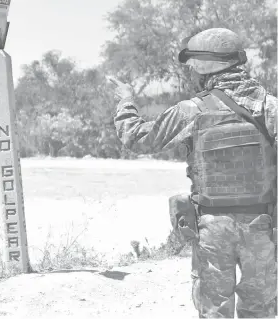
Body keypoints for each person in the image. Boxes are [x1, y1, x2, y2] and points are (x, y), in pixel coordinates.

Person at [110, 28, 277, 318]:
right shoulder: (270, 107)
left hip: (213, 227)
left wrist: (126, 101)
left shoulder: (191, 110)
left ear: (202, 66)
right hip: (263, 224)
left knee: (214, 312)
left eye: (192, 65)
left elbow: (137, 139)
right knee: (260, 310)